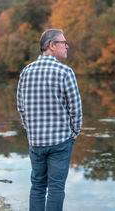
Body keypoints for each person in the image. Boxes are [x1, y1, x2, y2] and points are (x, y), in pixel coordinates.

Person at [17, 29, 83, 211]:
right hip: (60, 142)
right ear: (52, 45)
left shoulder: (26, 71)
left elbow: (21, 107)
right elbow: (76, 108)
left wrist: (30, 130)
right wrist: (75, 132)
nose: (67, 45)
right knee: (56, 188)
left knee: (37, 186)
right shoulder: (65, 72)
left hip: (36, 142)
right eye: (64, 42)